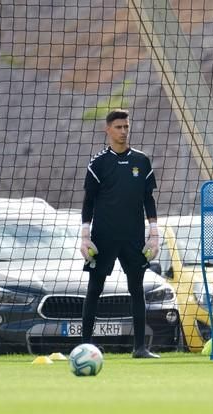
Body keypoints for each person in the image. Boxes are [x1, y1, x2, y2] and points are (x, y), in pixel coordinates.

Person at [79, 109, 161, 359]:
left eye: (126, 126)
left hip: (133, 236)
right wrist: (85, 234)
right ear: (108, 130)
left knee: (137, 289)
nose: (123, 131)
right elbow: (88, 200)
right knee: (95, 288)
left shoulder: (141, 160)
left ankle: (140, 348)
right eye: (118, 127)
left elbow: (148, 198)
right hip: (103, 236)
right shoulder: (98, 163)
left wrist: (154, 232)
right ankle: (85, 346)